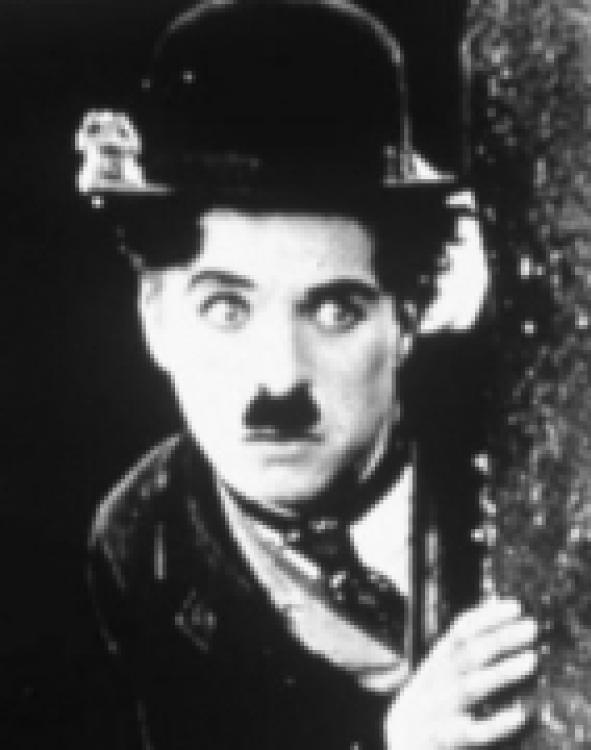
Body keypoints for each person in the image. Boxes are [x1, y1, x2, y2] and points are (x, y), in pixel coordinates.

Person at [79, 1, 538, 748]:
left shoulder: (516, 451)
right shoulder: (146, 541)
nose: (279, 380)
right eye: (227, 309)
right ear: (156, 319)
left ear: (410, 315)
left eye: (335, 311)